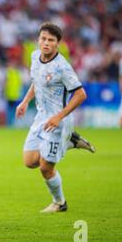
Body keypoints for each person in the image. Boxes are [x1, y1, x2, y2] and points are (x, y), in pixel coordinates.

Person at [16, 22, 95, 213]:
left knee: (45, 168)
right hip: (40, 118)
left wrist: (59, 117)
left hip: (58, 122)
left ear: (58, 44)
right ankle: (71, 142)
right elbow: (37, 82)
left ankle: (60, 203)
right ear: (38, 40)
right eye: (43, 39)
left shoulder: (62, 67)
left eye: (51, 40)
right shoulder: (35, 57)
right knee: (29, 162)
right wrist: (25, 101)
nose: (46, 43)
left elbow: (80, 94)